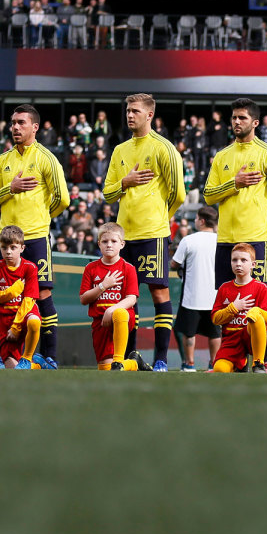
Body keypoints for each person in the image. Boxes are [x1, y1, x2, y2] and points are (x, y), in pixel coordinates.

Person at [103, 93, 185, 372]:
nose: (129, 115)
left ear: (150, 115)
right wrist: (124, 182)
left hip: (153, 233)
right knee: (127, 296)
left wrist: (159, 216)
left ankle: (161, 359)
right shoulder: (119, 150)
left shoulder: (164, 148)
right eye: (128, 110)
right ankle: (130, 356)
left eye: (135, 111)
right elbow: (107, 193)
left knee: (159, 292)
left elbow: (178, 194)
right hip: (124, 236)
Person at [0, 104, 70, 368]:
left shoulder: (47, 158)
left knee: (42, 295)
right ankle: (5, 358)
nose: (15, 127)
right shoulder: (3, 160)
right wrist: (10, 188)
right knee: (6, 299)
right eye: (13, 122)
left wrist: (41, 216)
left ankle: (49, 356)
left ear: (35, 127)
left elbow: (63, 199)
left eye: (21, 122)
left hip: (36, 238)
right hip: (8, 241)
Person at [202, 98, 267, 287]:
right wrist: (234, 183)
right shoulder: (221, 156)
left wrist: (258, 216)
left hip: (255, 239)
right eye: (234, 118)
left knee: (256, 298)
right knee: (226, 297)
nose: (237, 122)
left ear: (255, 123)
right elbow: (208, 195)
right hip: (225, 239)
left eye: (242, 118)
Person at [79, 222, 140, 371]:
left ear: (122, 244)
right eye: (105, 241)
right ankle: (133, 363)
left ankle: (119, 360)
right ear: (99, 244)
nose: (109, 245)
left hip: (123, 319)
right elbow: (84, 299)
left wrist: (112, 309)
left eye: (114, 241)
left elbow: (132, 298)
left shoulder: (128, 268)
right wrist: (103, 286)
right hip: (100, 321)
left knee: (119, 313)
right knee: (106, 369)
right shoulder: (91, 268)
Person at [0, 225, 44, 369]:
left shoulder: (30, 268)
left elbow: (29, 300)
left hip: (24, 314)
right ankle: (38, 365)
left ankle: (27, 358)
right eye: (4, 248)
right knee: (11, 366)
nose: (8, 251)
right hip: (5, 318)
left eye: (13, 247)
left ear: (22, 248)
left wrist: (16, 326)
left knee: (34, 321)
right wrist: (12, 291)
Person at [210, 243, 267, 373]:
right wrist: (233, 308)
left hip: (251, 337)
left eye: (243, 260)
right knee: (220, 369)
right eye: (234, 260)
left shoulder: (262, 288)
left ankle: (258, 363)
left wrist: (256, 311)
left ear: (253, 264)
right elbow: (215, 319)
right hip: (231, 341)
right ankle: (240, 364)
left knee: (256, 315)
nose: (238, 264)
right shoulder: (224, 288)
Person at [171, 206, 220, 371]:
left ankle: (189, 363)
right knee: (215, 332)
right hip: (215, 296)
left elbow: (174, 263)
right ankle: (214, 363)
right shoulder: (221, 241)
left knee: (189, 332)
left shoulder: (188, 240)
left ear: (202, 221)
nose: (196, 221)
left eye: (197, 218)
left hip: (192, 295)